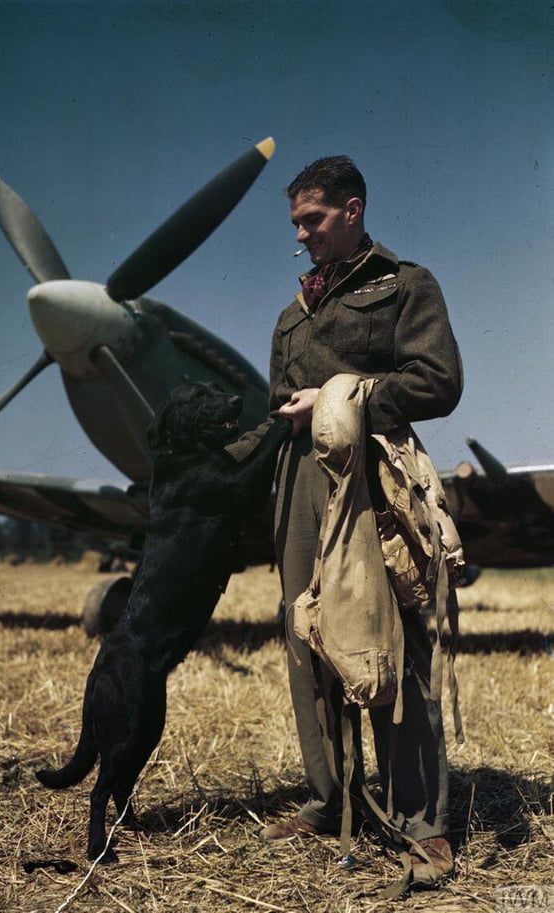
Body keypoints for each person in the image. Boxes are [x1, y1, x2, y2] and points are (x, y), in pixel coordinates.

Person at [231, 155, 463, 884]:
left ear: (352, 210)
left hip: (379, 477)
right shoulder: (287, 317)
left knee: (400, 640)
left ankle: (421, 820)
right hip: (300, 481)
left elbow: (439, 380)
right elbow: (276, 413)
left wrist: (344, 397)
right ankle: (331, 795)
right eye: (295, 223)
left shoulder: (405, 285)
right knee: (310, 638)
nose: (301, 236)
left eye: (313, 220)